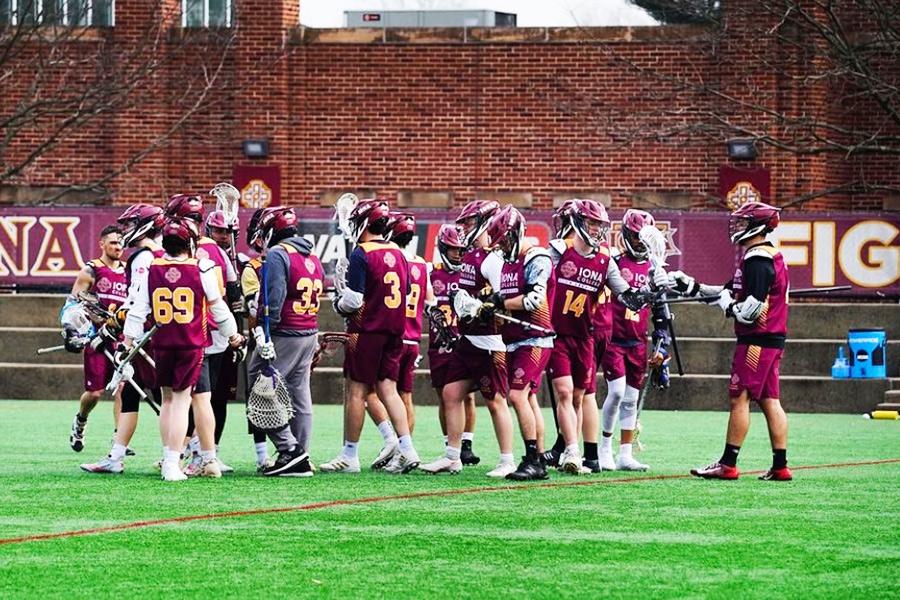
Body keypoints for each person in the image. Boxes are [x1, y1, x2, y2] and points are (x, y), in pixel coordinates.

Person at [674, 202, 792, 481]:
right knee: (769, 400)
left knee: (739, 398)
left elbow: (750, 309)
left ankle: (728, 463)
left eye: (743, 222)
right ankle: (780, 465)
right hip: (771, 339)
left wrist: (728, 307)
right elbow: (727, 291)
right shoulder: (763, 255)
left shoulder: (757, 259)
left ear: (758, 226)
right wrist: (691, 286)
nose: (737, 227)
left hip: (756, 340)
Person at [124, 216, 243, 482]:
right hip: (190, 343)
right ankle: (171, 462)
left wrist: (128, 341)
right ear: (190, 242)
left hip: (162, 343)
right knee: (182, 401)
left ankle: (172, 455)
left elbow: (138, 309)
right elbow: (218, 307)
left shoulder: (152, 267)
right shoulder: (202, 268)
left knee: (167, 400)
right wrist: (233, 334)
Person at [321, 199, 421, 474]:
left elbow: (353, 301)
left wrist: (339, 301)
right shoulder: (399, 253)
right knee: (389, 389)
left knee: (356, 390)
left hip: (367, 330)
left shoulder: (361, 253)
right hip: (395, 330)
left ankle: (350, 454)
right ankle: (407, 449)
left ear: (364, 223)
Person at [421, 200, 517, 477]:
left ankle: (507, 460)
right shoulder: (472, 255)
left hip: (489, 341)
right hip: (468, 338)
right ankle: (452, 456)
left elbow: (505, 297)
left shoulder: (492, 259)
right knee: (451, 393)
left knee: (496, 400)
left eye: (470, 223)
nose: (465, 228)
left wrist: (487, 306)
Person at [80, 205, 165, 474]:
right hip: (155, 329)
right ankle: (115, 457)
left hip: (147, 334)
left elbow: (138, 303)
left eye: (130, 226)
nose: (125, 232)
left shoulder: (143, 257)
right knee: (129, 392)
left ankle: (186, 453)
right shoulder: (162, 253)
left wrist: (124, 337)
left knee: (168, 398)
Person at [482, 205, 556, 481]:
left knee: (516, 395)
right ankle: (538, 460)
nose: (500, 247)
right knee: (528, 398)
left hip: (535, 335)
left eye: (503, 240)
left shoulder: (536, 257)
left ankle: (532, 459)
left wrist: (498, 303)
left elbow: (533, 299)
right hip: (515, 338)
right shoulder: (509, 262)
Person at [248, 206, 322, 477]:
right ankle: (301, 453)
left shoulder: (279, 253)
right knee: (300, 393)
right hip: (308, 330)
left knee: (260, 383)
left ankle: (290, 451)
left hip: (286, 332)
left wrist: (266, 332)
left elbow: (275, 296)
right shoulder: (310, 254)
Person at [599, 209, 671, 472]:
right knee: (616, 393)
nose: (641, 245)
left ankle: (625, 453)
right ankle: (604, 449)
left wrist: (661, 347)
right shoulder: (614, 263)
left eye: (644, 240)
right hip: (614, 339)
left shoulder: (655, 270)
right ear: (627, 236)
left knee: (631, 398)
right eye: (636, 239)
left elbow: (662, 316)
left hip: (638, 342)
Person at [546, 199, 612, 474]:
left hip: (587, 335)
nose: (597, 230)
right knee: (565, 392)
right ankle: (572, 451)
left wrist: (640, 294)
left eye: (600, 224)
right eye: (592, 223)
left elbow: (623, 289)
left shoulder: (606, 259)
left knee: (579, 397)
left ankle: (585, 454)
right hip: (559, 333)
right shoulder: (558, 250)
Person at [364, 213, 426, 469]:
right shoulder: (421, 263)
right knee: (404, 396)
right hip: (411, 335)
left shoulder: (386, 257)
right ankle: (405, 448)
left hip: (390, 332)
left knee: (369, 392)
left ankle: (396, 444)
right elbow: (428, 298)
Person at [67, 225, 127, 453]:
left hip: (121, 338)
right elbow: (72, 304)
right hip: (97, 339)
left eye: (120, 242)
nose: (118, 246)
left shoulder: (129, 271)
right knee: (94, 393)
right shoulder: (91, 271)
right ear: (102, 244)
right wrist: (72, 331)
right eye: (113, 242)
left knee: (123, 386)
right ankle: (80, 421)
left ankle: (118, 438)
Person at [427, 224, 480, 465]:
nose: (459, 254)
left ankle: (466, 443)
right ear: (442, 248)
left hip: (464, 341)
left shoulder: (469, 274)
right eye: (454, 249)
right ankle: (449, 443)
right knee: (443, 396)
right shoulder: (431, 273)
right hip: (439, 342)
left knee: (465, 395)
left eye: (462, 249)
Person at [240, 209, 274, 471]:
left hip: (285, 335)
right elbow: (254, 309)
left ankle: (295, 449)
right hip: (262, 338)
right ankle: (262, 454)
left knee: (291, 396)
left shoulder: (286, 261)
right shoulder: (252, 268)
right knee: (258, 396)